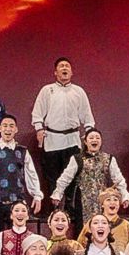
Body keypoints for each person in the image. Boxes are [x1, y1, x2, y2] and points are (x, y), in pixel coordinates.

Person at [31, 58, 95, 200]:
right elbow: (37, 113)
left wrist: (89, 132)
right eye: (61, 66)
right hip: (52, 140)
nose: (64, 68)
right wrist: (39, 129)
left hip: (72, 140)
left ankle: (70, 210)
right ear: (55, 72)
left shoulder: (78, 91)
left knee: (72, 178)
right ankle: (54, 209)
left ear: (71, 72)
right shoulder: (47, 90)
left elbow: (87, 115)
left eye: (67, 66)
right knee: (52, 179)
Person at [53, 127, 129, 222]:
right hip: (82, 200)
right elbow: (65, 178)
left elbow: (118, 179)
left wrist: (124, 196)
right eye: (91, 138)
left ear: (101, 141)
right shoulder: (77, 159)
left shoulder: (109, 158)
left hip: (102, 200)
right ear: (85, 142)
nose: (95, 140)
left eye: (97, 138)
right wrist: (57, 194)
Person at [0, 115, 43, 221]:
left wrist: (37, 195)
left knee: (17, 231)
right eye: (5, 125)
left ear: (16, 129)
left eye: (11, 126)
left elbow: (31, 174)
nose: (8, 129)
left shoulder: (22, 151)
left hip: (17, 204)